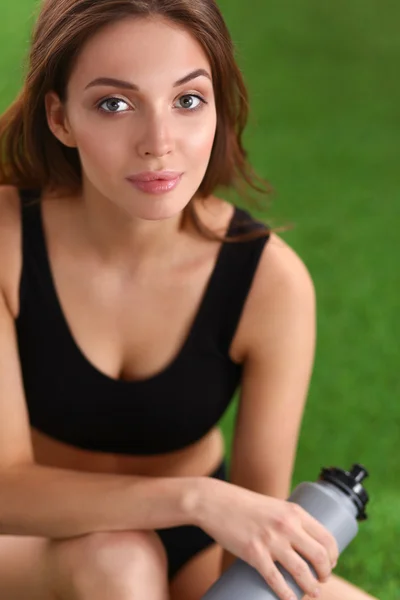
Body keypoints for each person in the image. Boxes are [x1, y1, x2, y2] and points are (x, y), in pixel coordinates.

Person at [0, 1, 377, 599]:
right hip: (26, 536)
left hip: (200, 538)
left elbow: (251, 535)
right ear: (60, 117)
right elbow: (6, 489)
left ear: (218, 109)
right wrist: (193, 498)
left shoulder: (268, 282)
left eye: (187, 100)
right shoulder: (7, 244)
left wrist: (212, 517)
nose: (159, 143)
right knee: (120, 560)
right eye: (114, 104)